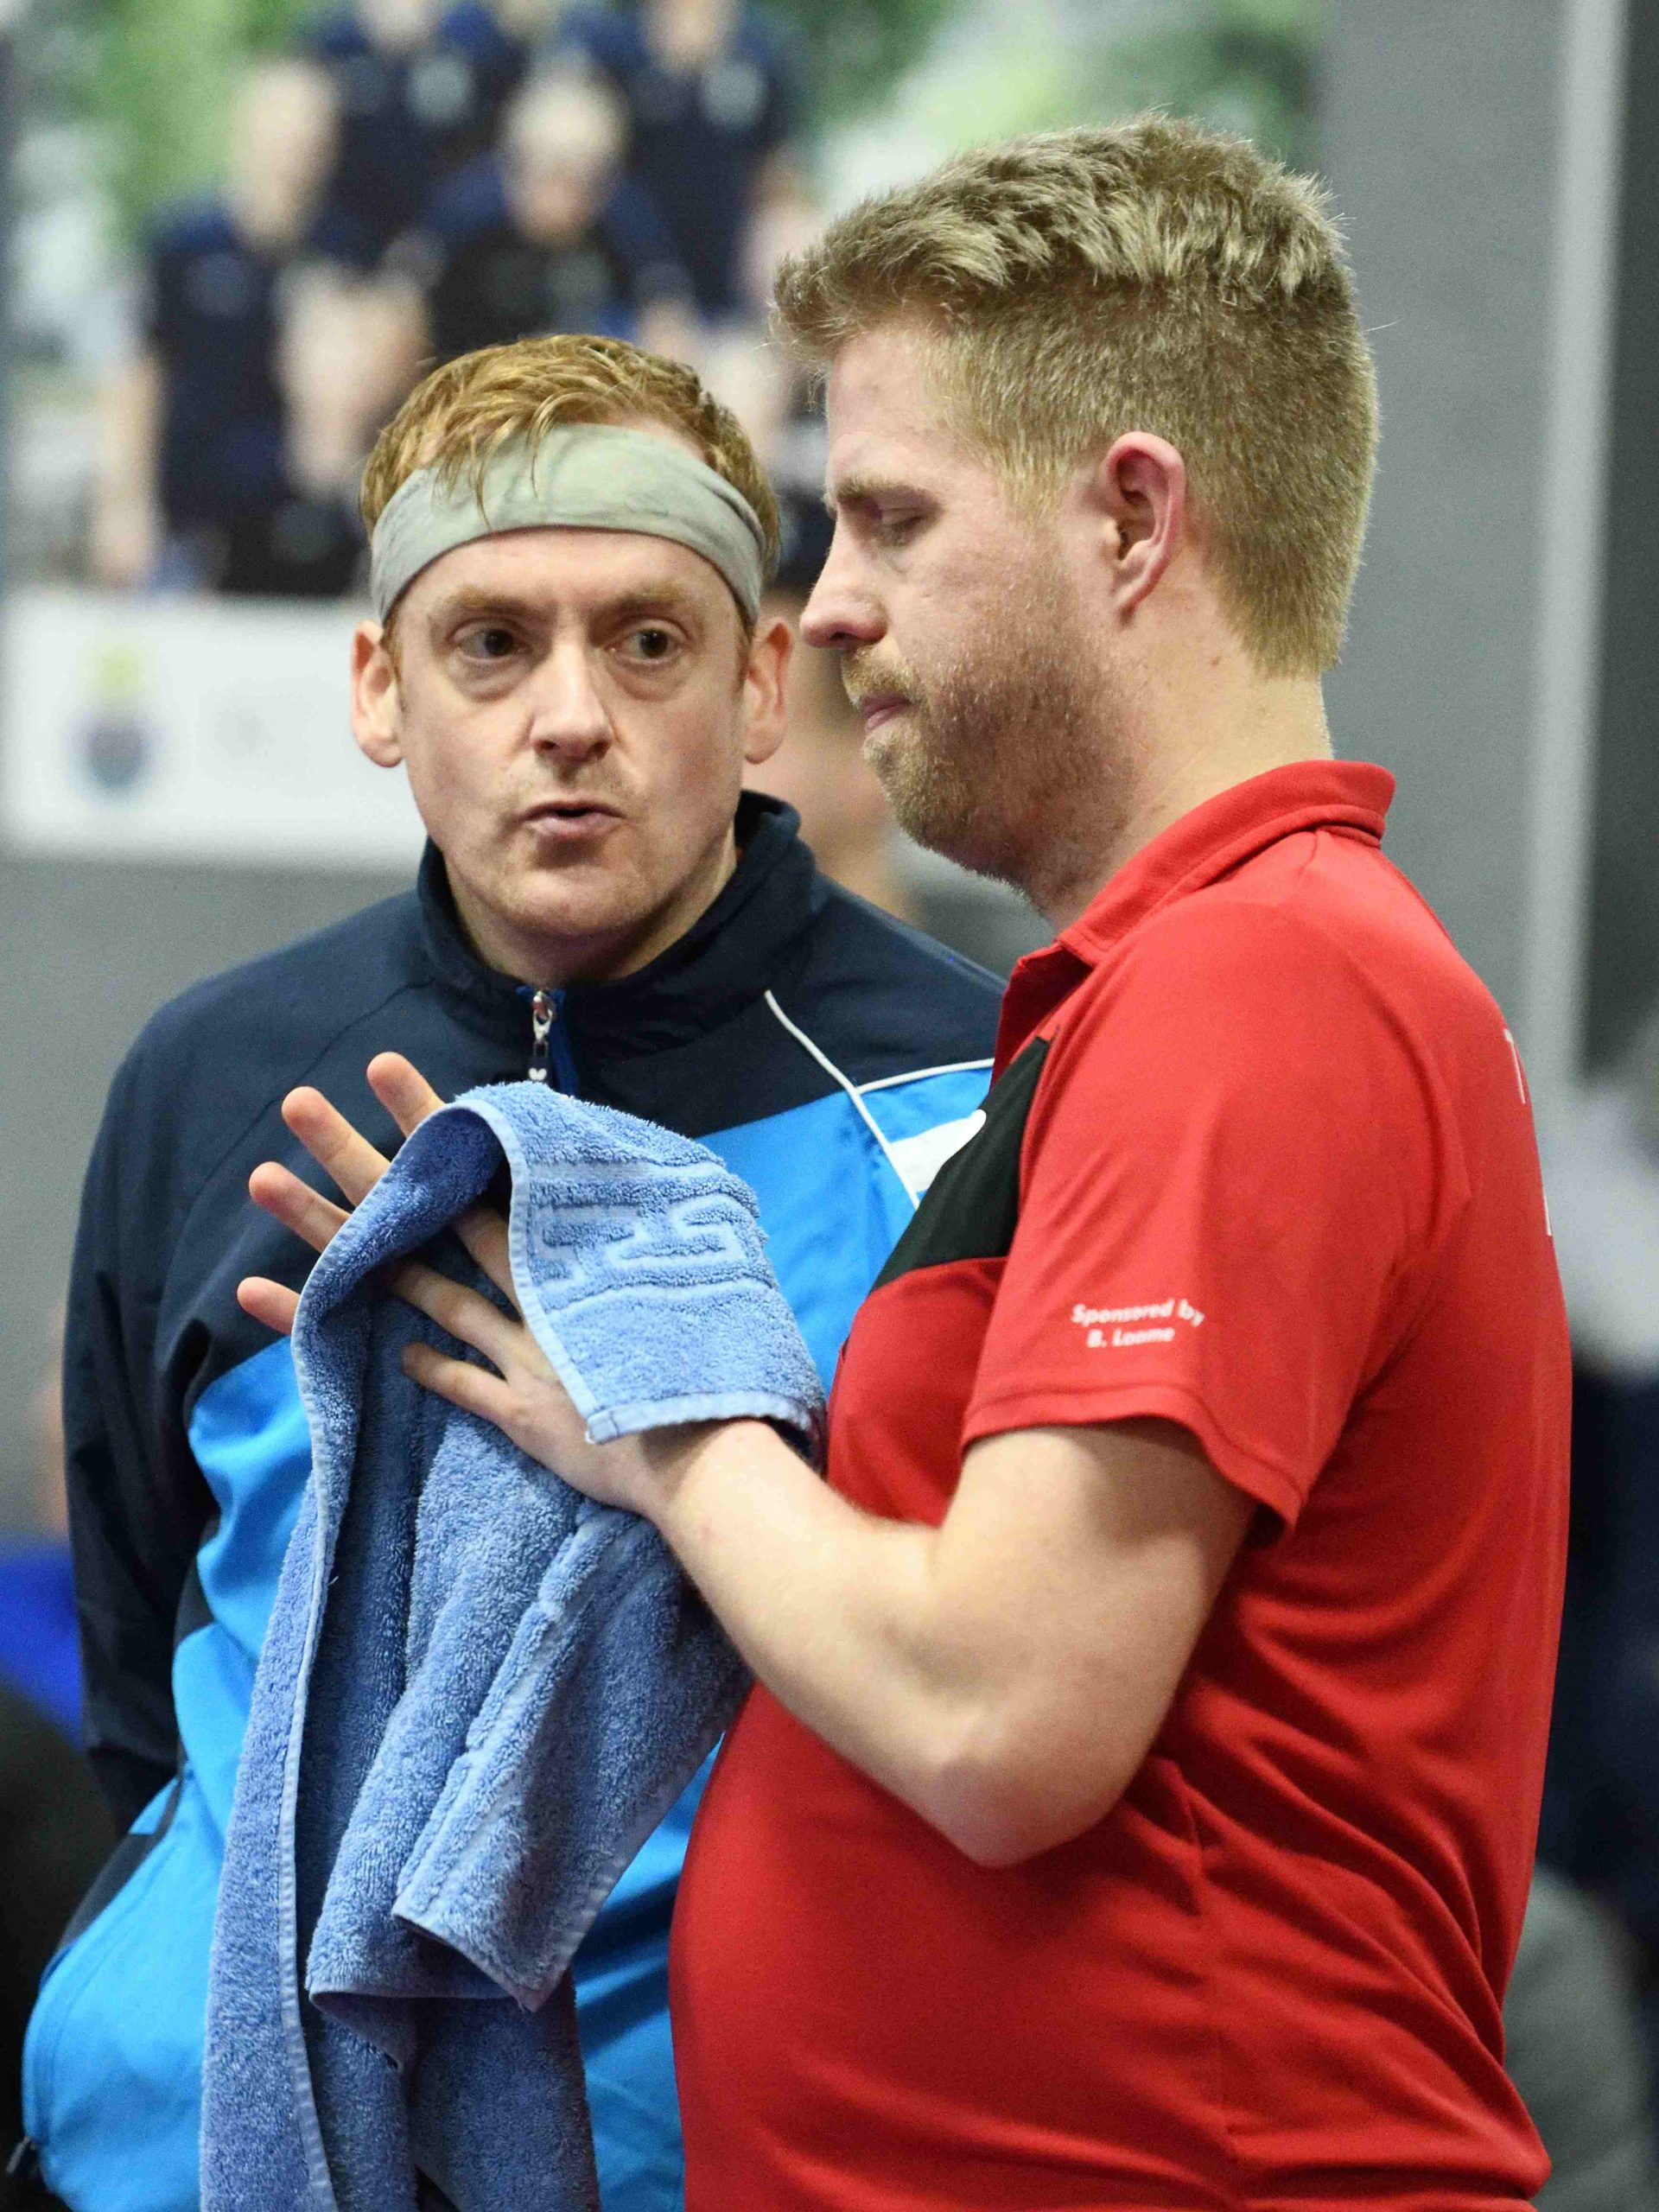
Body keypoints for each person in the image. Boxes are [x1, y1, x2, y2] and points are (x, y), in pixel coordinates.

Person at [254, 120, 1571, 2207]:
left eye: (887, 517)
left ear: (1130, 519)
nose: (838, 600)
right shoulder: (1195, 982)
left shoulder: (1256, 985)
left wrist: (665, 1420)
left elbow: (995, 1712)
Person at [22, 333, 1000, 2211]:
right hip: (183, 2148)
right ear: (379, 687)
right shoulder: (216, 1079)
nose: (570, 716)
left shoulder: (966, 1093)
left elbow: (994, 1677)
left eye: (647, 642)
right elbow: (148, 1663)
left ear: (760, 684)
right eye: (490, 643)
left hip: (710, 2153)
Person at [90, 59, 376, 595]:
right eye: (284, 128)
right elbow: (137, 376)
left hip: (303, 531)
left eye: (312, 132)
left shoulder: (347, 249)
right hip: (192, 533)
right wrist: (124, 504)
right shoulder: (183, 244)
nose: (298, 147)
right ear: (248, 128)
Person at [391, 71, 694, 364]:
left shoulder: (628, 219)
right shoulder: (469, 207)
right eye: (548, 172)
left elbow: (668, 319)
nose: (561, 196)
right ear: (514, 164)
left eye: (583, 176)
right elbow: (398, 294)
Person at [552, 0, 805, 329]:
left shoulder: (762, 48)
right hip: (624, 278)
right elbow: (574, 145)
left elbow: (778, 176)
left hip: (724, 277)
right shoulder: (606, 40)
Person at [305, 0, 525, 260]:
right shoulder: (334, 44)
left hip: (454, 235)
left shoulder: (476, 37)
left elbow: (510, 130)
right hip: (349, 235)